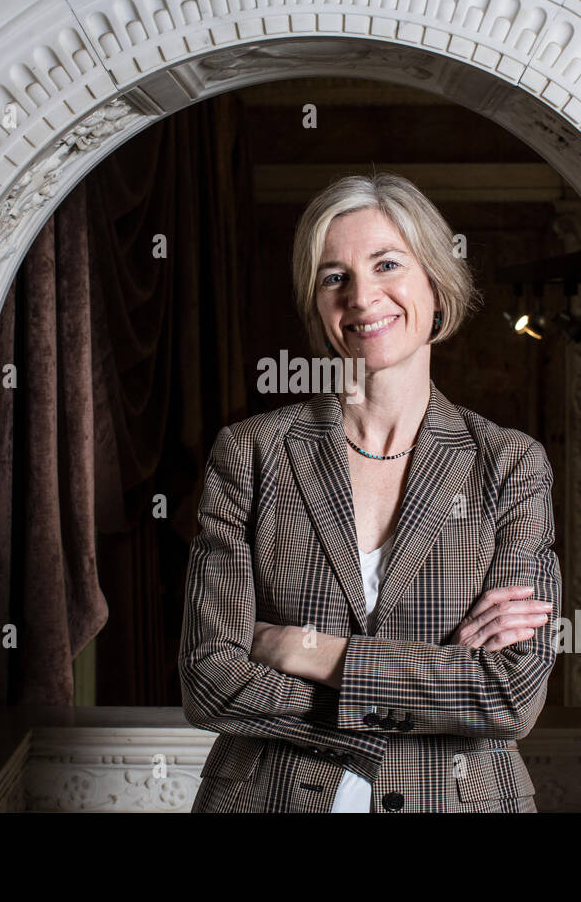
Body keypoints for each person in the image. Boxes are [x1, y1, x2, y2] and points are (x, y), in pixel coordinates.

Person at [179, 171, 561, 812]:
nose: (362, 297)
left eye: (387, 264)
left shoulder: (509, 466)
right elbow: (210, 680)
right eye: (335, 277)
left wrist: (297, 648)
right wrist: (431, 686)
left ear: (436, 285)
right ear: (318, 305)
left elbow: (508, 697)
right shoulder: (250, 454)